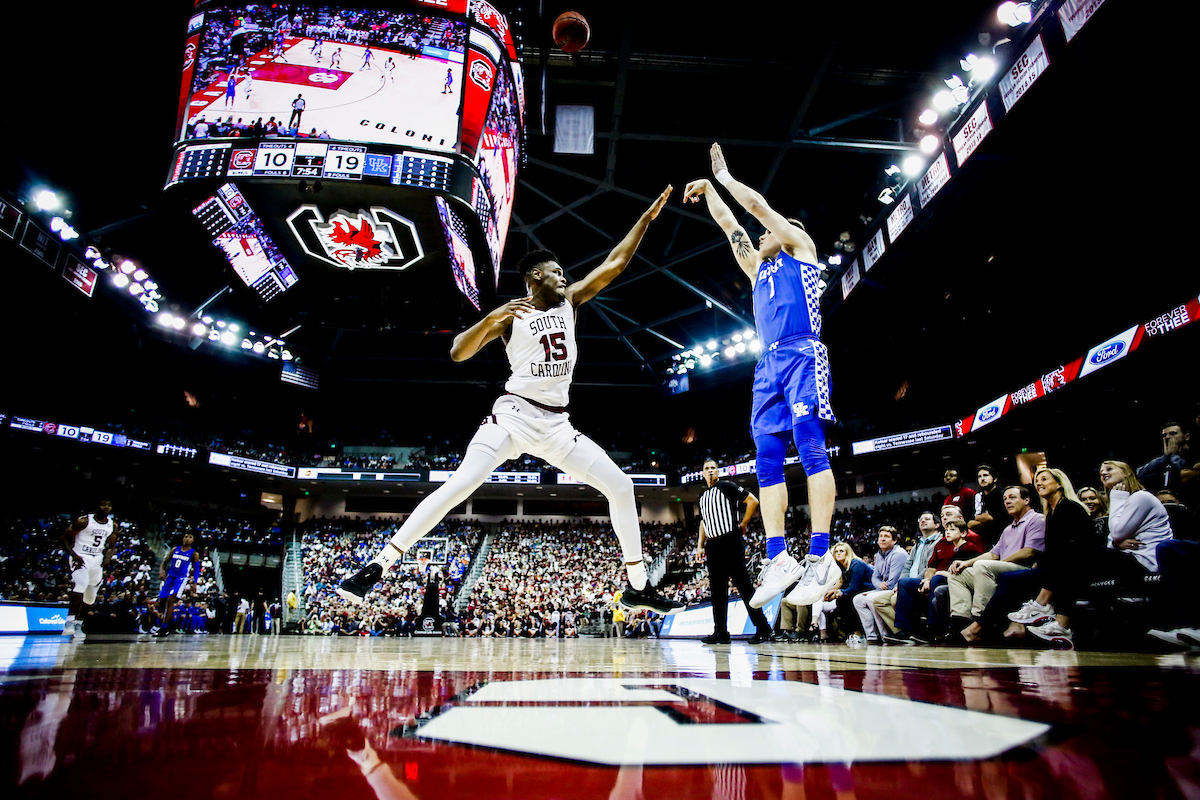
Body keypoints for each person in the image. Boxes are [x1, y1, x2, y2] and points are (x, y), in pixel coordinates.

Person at [337, 187, 683, 617]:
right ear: (535, 276)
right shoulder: (511, 316)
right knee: (461, 485)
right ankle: (378, 565)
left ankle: (637, 587)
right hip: (512, 417)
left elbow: (615, 263)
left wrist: (647, 217)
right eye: (556, 272)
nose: (564, 276)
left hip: (558, 427)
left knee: (622, 486)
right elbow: (458, 353)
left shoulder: (570, 302)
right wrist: (491, 318)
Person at [684, 143, 838, 611]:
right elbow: (732, 227)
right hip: (768, 364)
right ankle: (778, 558)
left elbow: (755, 208)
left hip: (802, 351)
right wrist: (710, 190)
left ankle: (820, 554)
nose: (762, 233)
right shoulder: (756, 270)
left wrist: (726, 178)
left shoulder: (801, 250)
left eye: (773, 228)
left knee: (809, 445)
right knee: (767, 457)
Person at [946, 486, 1045, 639]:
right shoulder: (1008, 529)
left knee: (983, 566)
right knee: (957, 574)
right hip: (1002, 568)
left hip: (1025, 569)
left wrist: (999, 563)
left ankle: (983, 621)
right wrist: (965, 563)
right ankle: (961, 621)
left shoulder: (1036, 519)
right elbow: (992, 554)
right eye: (1005, 499)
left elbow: (1030, 552)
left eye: (1012, 497)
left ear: (1026, 500)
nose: (1007, 502)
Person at [695, 458, 773, 644]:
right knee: (717, 591)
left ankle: (763, 628)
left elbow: (752, 500)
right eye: (707, 469)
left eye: (714, 468)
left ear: (718, 471)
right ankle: (720, 632)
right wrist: (699, 545)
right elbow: (703, 522)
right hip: (712, 545)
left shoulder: (727, 486)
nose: (711, 471)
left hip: (730, 540)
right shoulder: (703, 496)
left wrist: (744, 523)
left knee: (744, 586)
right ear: (703, 473)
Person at [61, 499, 118, 640]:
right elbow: (64, 538)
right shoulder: (84, 521)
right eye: (103, 504)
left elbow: (111, 545)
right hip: (81, 556)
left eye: (109, 505)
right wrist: (74, 555)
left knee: (90, 597)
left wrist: (108, 558)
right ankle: (69, 622)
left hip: (97, 559)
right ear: (97, 506)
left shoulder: (112, 525)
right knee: (81, 584)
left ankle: (79, 624)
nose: (106, 507)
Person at [850, 525, 909, 644]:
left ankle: (885, 635)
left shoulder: (899, 554)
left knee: (872, 598)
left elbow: (893, 581)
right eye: (880, 536)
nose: (882, 539)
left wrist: (877, 590)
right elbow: (875, 577)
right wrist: (878, 586)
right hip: (882, 588)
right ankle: (872, 636)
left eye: (886, 537)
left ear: (894, 540)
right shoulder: (879, 555)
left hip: (897, 588)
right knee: (858, 599)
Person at [151, 532, 200, 638]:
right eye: (186, 536)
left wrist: (195, 583)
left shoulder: (193, 553)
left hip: (181, 579)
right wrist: (161, 571)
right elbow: (164, 562)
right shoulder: (174, 549)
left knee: (171, 600)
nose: (187, 538)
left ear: (193, 541)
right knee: (162, 601)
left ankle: (164, 627)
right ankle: (169, 623)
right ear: (182, 538)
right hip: (170, 577)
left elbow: (196, 569)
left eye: (190, 537)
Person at [969, 464, 1007, 547]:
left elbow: (993, 517)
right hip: (984, 542)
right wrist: (982, 518)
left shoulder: (1001, 494)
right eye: (979, 476)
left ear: (995, 478)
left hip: (1001, 539)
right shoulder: (979, 497)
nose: (982, 479)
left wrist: (978, 518)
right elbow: (969, 523)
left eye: (985, 475)